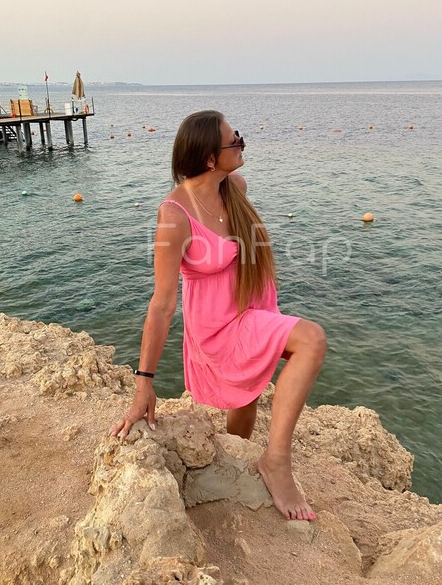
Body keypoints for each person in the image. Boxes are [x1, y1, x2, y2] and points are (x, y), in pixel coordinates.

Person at [110, 110, 326, 521]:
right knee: (311, 339)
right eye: (234, 140)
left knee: (246, 396)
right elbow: (162, 303)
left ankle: (236, 458)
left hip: (253, 306)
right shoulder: (175, 215)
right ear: (210, 158)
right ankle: (276, 462)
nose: (242, 143)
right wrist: (144, 383)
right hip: (218, 326)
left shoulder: (235, 188)